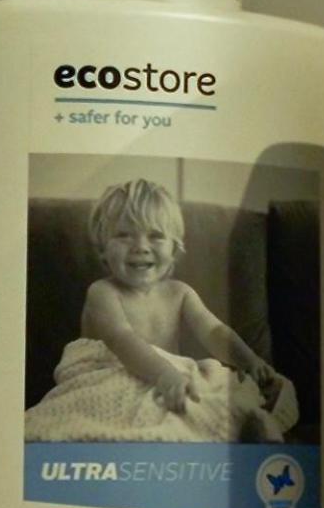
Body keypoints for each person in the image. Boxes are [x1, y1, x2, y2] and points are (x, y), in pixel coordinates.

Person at [82, 178, 280, 415]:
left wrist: (248, 361)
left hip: (165, 382)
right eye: (124, 235)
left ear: (174, 249)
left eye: (156, 236)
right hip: (111, 381)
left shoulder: (180, 293)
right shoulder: (103, 292)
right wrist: (164, 373)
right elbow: (120, 338)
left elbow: (214, 332)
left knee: (217, 393)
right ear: (103, 248)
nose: (140, 246)